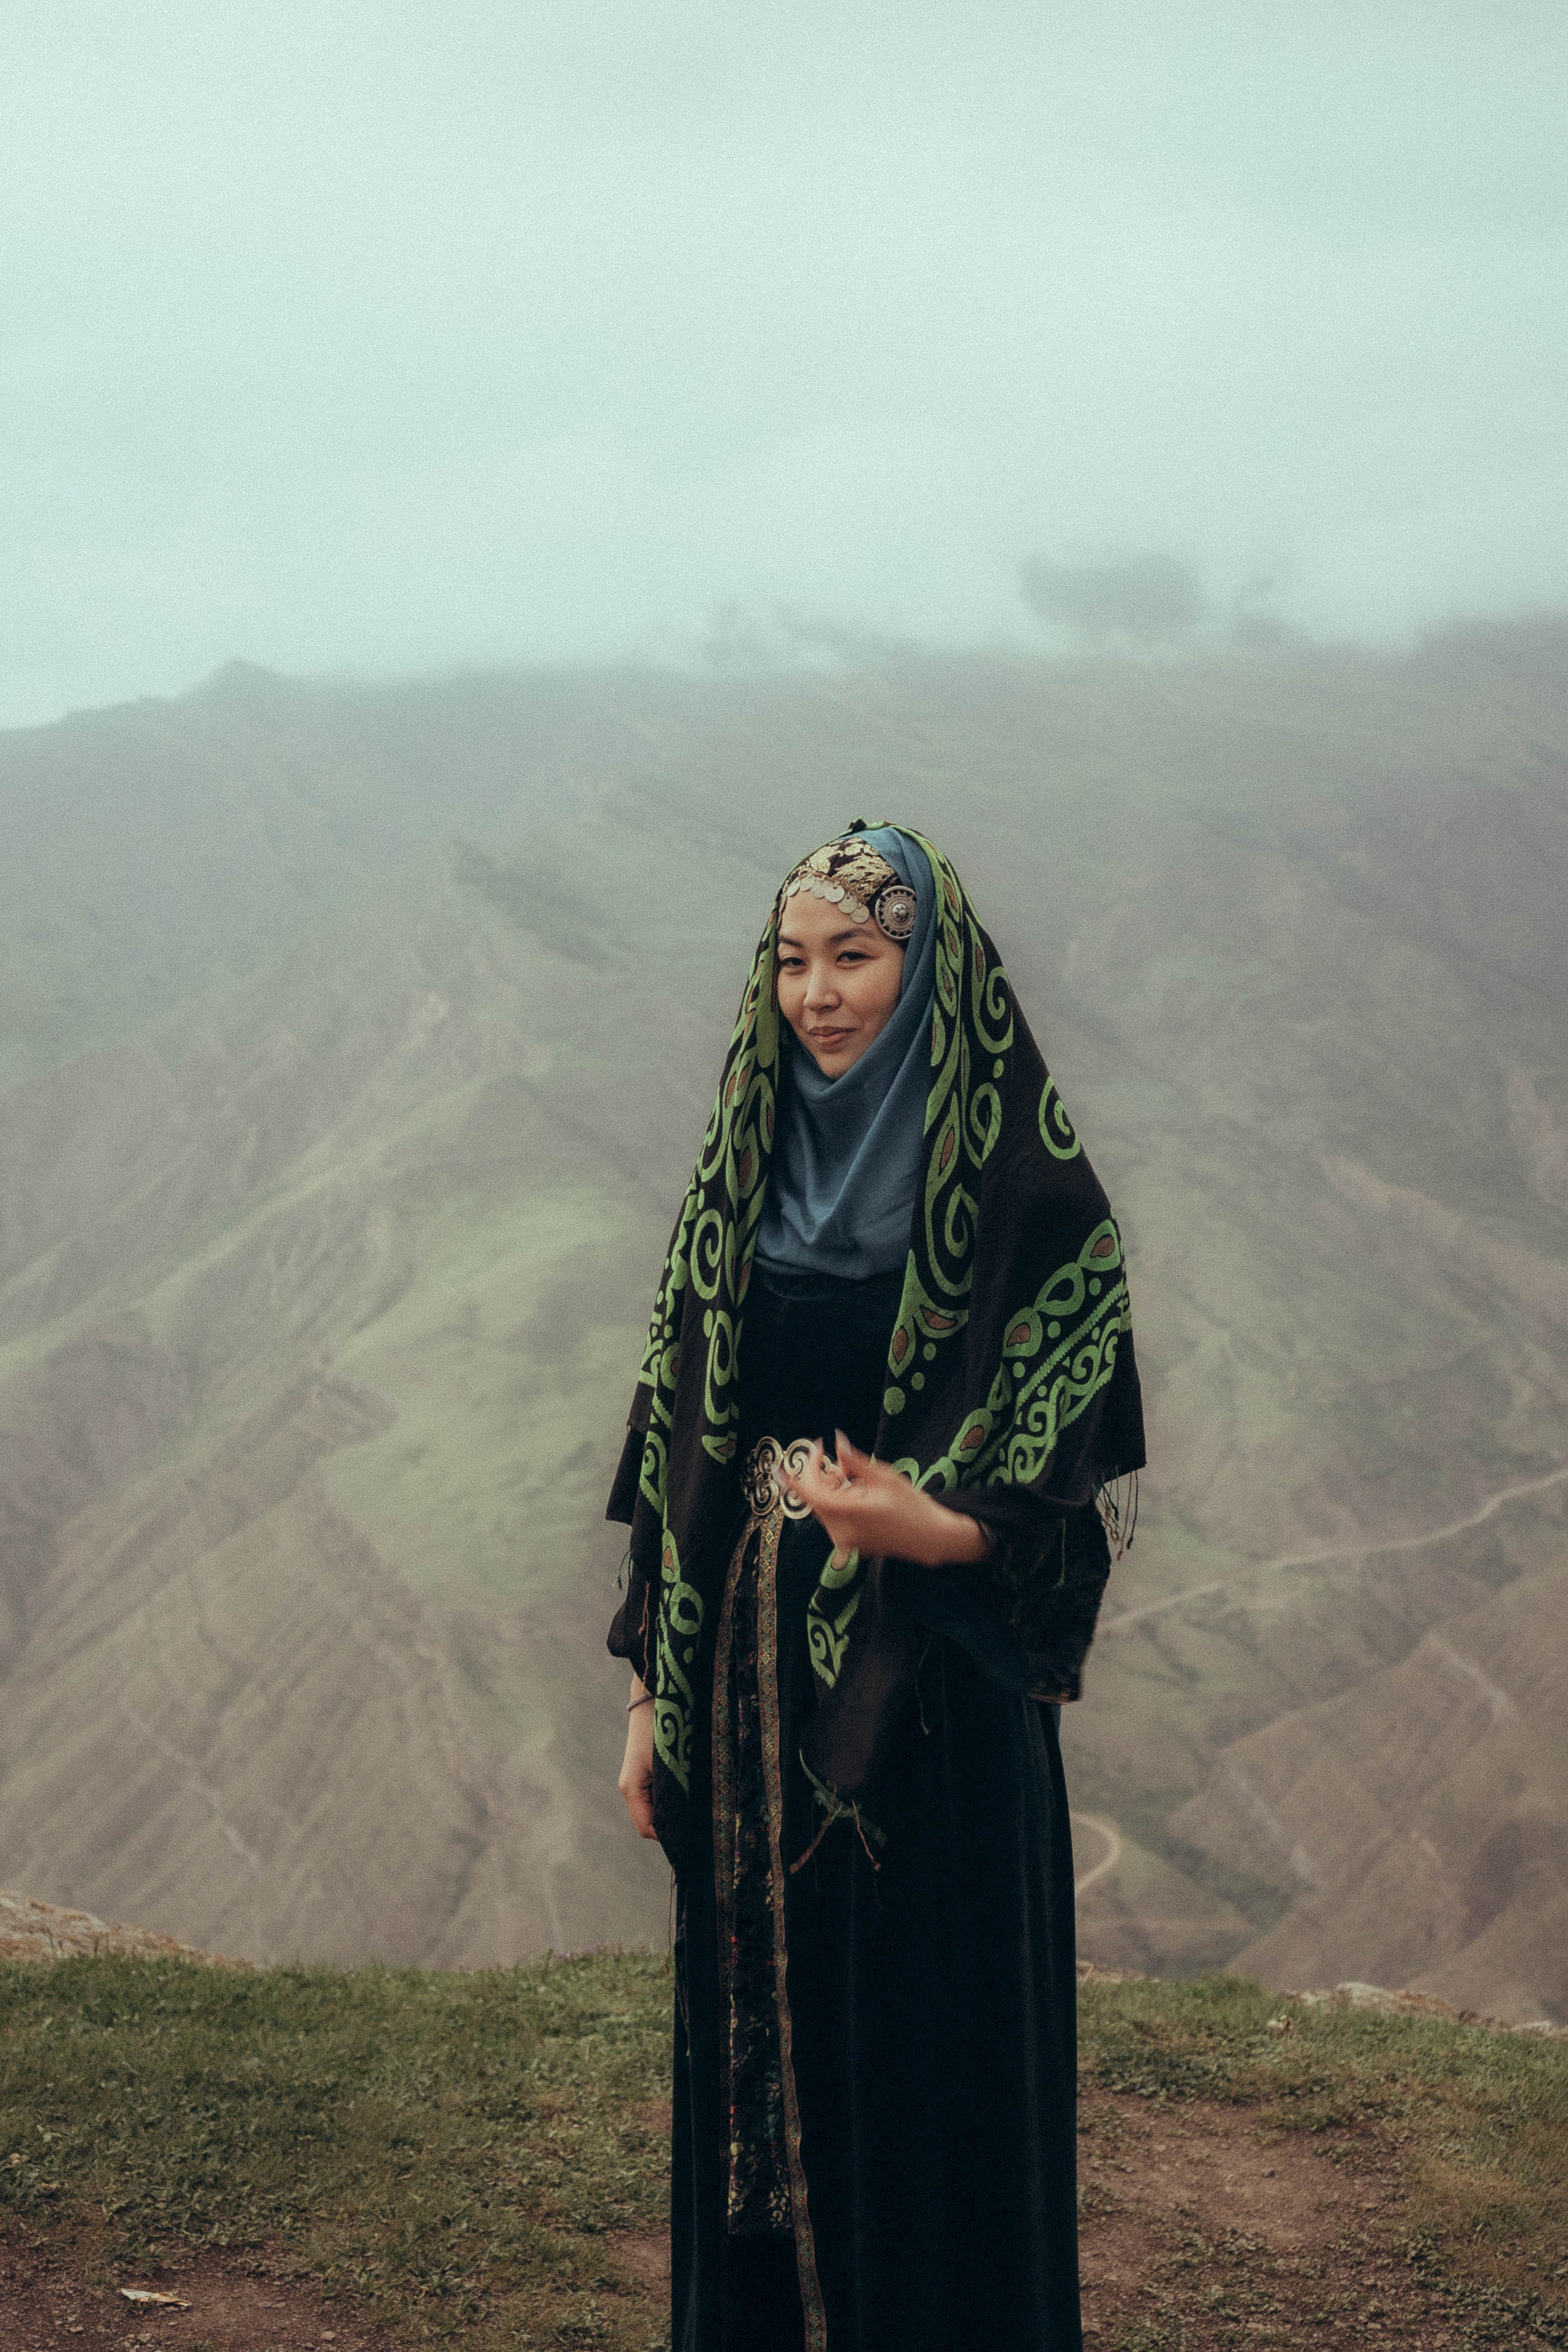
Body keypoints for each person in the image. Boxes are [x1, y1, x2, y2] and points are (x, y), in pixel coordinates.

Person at [606, 823, 1144, 2352]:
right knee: (756, 2075)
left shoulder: (1031, 1206)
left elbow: (1063, 1499)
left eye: (855, 956)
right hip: (746, 1706)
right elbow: (672, 1461)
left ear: (930, 975)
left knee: (927, 2070)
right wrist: (652, 1690)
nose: (817, 997)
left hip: (932, 1721)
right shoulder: (741, 1174)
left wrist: (933, 1530)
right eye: (791, 961)